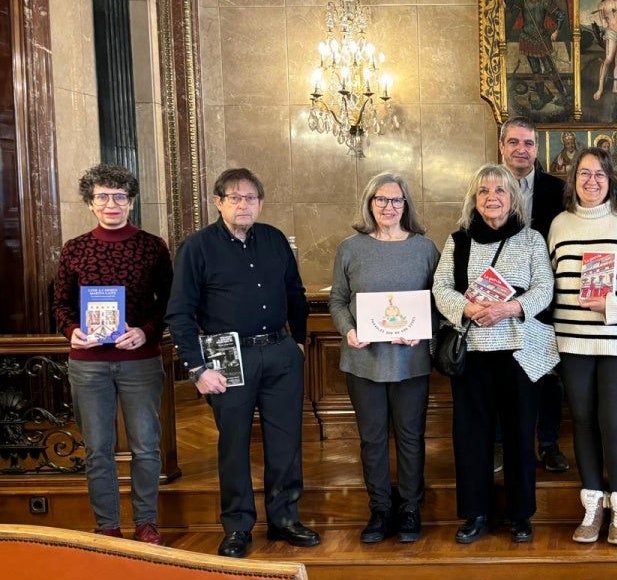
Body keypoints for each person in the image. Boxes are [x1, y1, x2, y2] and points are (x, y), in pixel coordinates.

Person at [166, 168, 316, 559]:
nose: (244, 204)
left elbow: (295, 294)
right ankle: (237, 526)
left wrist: (298, 342)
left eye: (251, 197)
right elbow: (180, 313)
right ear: (218, 202)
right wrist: (197, 369)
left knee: (285, 442)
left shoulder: (274, 239)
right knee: (233, 444)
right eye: (235, 197)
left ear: (261, 203)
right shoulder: (196, 247)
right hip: (225, 357)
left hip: (281, 352)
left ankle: (284, 519)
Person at [432, 165, 558, 544]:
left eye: (500, 190)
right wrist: (468, 310)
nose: (492, 197)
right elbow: (440, 287)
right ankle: (476, 513)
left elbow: (544, 289)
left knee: (521, 435)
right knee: (472, 436)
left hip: (519, 352)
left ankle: (520, 515)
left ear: (512, 198)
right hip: (474, 352)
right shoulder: (459, 241)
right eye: (484, 190)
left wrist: (510, 308)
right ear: (475, 199)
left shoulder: (532, 239)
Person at [52, 164, 173, 544]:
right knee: (98, 449)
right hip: (88, 364)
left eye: (120, 196)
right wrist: (73, 332)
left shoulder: (152, 246)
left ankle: (146, 522)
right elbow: (60, 305)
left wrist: (146, 331)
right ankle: (107, 525)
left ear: (131, 202)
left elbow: (169, 302)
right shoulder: (75, 249)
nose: (111, 204)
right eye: (102, 196)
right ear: (90, 203)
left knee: (145, 446)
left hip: (139, 360)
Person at [547, 147, 617, 545]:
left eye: (600, 175)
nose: (592, 181)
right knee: (584, 421)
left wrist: (614, 306)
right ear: (572, 179)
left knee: (614, 422)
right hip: (572, 341)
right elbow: (550, 283)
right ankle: (592, 505)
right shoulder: (559, 225)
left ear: (612, 180)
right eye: (584, 174)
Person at [328, 173, 439, 544]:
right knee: (372, 439)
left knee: (411, 437)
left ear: (406, 205)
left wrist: (424, 328)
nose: (388, 207)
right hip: (363, 361)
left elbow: (439, 302)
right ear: (369, 203)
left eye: (396, 201)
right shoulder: (350, 248)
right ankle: (379, 508)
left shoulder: (425, 248)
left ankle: (409, 507)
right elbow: (338, 300)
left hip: (410, 361)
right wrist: (348, 330)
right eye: (381, 200)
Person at [498, 118, 569, 473]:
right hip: (497, 299)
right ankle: (502, 444)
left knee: (548, 374)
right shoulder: (487, 185)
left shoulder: (557, 189)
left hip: (545, 295)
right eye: (513, 142)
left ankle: (548, 443)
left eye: (528, 143)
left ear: (537, 150)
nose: (520, 149)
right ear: (502, 147)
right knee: (501, 373)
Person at [505, 0, 567, 106]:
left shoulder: (545, 1)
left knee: (550, 68)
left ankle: (563, 94)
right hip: (527, 38)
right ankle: (542, 97)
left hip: (542, 37)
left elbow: (561, 16)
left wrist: (556, 31)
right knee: (536, 70)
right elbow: (508, 8)